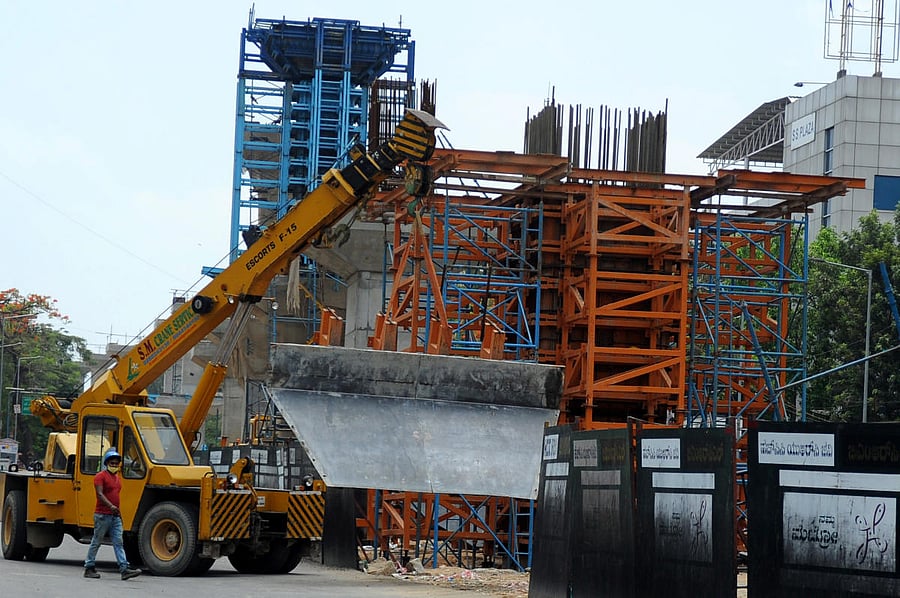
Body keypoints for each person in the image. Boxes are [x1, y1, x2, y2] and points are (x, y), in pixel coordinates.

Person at [83, 449, 142, 580]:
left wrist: (118, 513)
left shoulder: (117, 479)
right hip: (102, 515)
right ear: (107, 463)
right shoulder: (100, 476)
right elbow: (99, 494)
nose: (114, 465)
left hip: (115, 516)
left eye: (116, 463)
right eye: (112, 463)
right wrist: (110, 506)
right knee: (96, 541)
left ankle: (124, 568)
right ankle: (89, 566)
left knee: (118, 542)